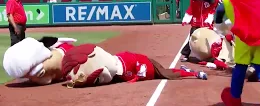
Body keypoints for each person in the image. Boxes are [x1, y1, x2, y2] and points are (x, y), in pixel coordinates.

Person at [61, 44, 208, 88]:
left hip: (147, 67)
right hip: (135, 70)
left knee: (167, 74)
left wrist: (136, 78)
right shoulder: (116, 67)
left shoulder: (126, 59)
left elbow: (140, 63)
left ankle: (193, 74)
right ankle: (185, 71)